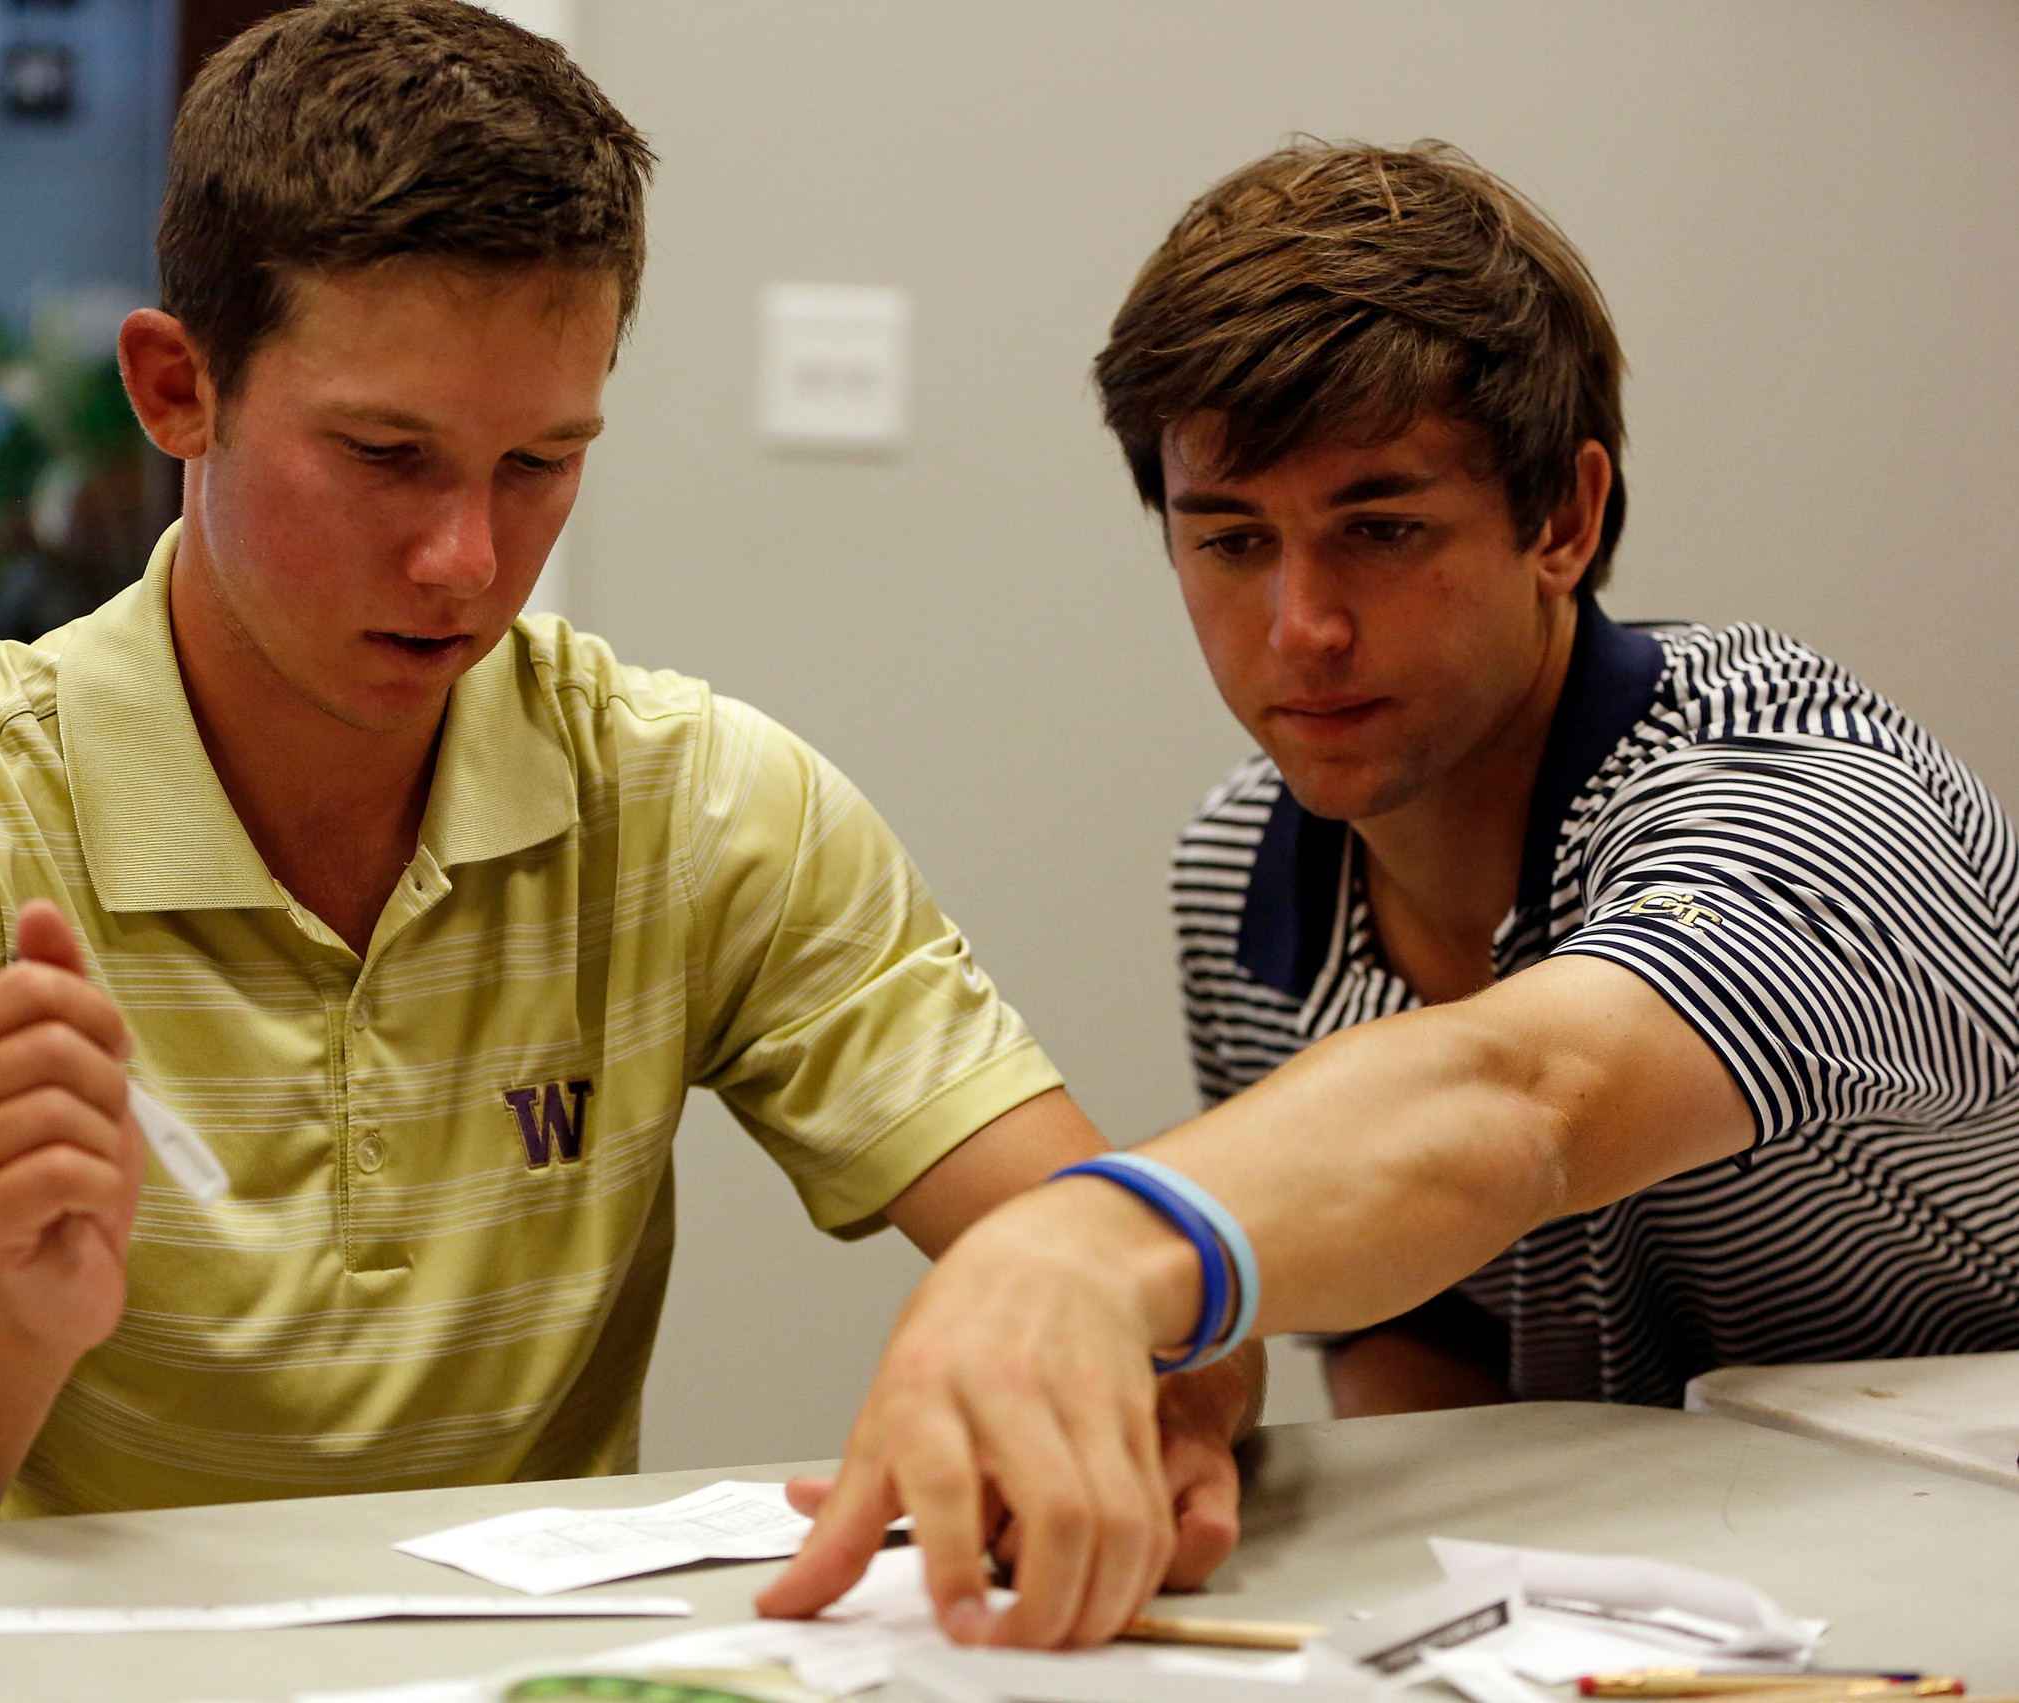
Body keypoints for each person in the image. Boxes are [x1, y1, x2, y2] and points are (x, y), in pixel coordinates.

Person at [0, 0, 1220, 1539]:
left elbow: (1165, 1305)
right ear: (174, 390)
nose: (467, 562)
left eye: (541, 463)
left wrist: (1114, 1336)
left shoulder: (695, 807)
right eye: (384, 457)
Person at [759, 139, 2019, 1647]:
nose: (1301, 630)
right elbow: (1411, 1329)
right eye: (1230, 540)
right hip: (1702, 1613)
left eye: (1381, 528)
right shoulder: (1241, 860)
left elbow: (1531, 1094)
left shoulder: (1813, 795)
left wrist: (1094, 1239)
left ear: (1564, 517)